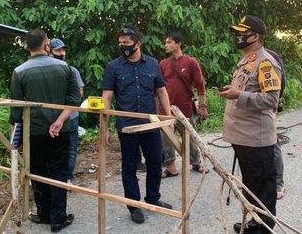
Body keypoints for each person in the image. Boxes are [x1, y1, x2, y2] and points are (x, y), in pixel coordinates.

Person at [101, 25, 173, 224]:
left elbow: (161, 91)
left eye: (127, 43)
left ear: (138, 43)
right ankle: (134, 205)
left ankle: (153, 198)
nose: (123, 46)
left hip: (150, 124)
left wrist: (168, 118)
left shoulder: (152, 64)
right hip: (127, 126)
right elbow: (106, 98)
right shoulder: (113, 67)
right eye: (120, 43)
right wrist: (105, 127)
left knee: (155, 162)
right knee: (129, 166)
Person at [9, 29, 79, 232]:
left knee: (38, 172)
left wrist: (15, 138)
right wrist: (59, 121)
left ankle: (44, 214)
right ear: (46, 45)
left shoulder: (19, 72)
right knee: (58, 171)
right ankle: (58, 218)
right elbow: (73, 100)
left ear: (28, 47)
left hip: (34, 132)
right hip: (61, 130)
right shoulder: (64, 67)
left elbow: (16, 109)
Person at [218, 15, 282, 234]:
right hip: (243, 137)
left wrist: (239, 95)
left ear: (256, 36)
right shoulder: (247, 59)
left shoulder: (265, 62)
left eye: (243, 32)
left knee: (262, 190)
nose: (238, 36)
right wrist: (234, 92)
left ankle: (263, 228)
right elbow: (247, 91)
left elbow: (272, 100)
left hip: (257, 139)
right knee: (250, 187)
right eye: (237, 32)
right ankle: (253, 223)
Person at [158, 32, 209, 178]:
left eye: (169, 42)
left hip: (185, 107)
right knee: (166, 138)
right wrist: (158, 109)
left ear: (178, 44)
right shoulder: (163, 63)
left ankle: (196, 162)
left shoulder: (191, 62)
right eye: (166, 42)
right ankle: (171, 167)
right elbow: (158, 88)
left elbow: (200, 85)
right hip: (166, 108)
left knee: (190, 137)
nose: (166, 45)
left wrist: (202, 106)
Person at [50, 38, 85, 185]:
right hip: (52, 116)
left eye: (63, 50)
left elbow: (80, 93)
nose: (61, 53)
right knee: (54, 150)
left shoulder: (72, 70)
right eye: (57, 50)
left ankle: (67, 178)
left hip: (71, 116)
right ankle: (54, 178)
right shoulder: (47, 71)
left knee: (71, 149)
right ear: (49, 52)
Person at [266, 48, 286, 199]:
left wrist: (275, 103)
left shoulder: (271, 57)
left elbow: (281, 84)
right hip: (249, 111)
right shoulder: (247, 58)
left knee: (273, 144)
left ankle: (278, 182)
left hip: (267, 108)